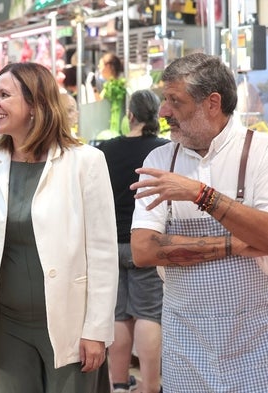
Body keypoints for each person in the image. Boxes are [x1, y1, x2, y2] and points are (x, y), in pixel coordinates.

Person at [0, 62, 118, 393]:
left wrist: (97, 329)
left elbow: (102, 251)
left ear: (35, 104)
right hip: (5, 326)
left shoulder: (85, 162)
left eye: (4, 95)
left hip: (70, 321)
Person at [130, 53, 268, 391]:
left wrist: (200, 194)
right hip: (184, 339)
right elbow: (143, 250)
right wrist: (233, 244)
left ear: (212, 103)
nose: (163, 112)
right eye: (165, 101)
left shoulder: (261, 152)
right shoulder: (160, 159)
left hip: (255, 336)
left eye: (175, 101)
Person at [97, 90, 169, 393]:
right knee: (148, 314)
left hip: (111, 243)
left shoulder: (106, 150)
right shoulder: (165, 150)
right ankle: (151, 387)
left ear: (130, 115)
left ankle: (119, 384)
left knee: (119, 315)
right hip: (147, 241)